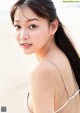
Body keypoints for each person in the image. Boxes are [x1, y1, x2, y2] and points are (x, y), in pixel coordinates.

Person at [10, 0, 80, 113]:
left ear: (53, 27)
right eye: (18, 26)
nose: (23, 36)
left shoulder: (41, 71)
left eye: (32, 26)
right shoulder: (66, 56)